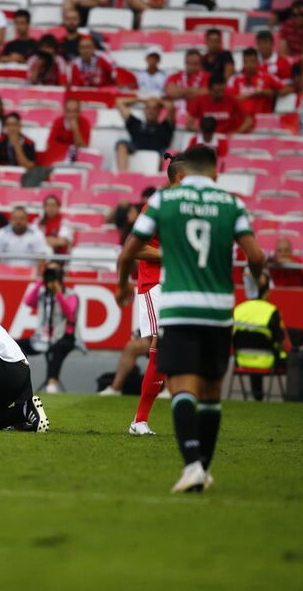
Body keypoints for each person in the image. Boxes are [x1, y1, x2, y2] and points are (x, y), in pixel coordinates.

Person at [116, 145, 265, 493]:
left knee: (179, 378)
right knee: (208, 388)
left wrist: (121, 284)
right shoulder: (231, 204)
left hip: (179, 297)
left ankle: (187, 460)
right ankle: (145, 424)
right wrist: (261, 281)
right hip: (195, 297)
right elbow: (256, 256)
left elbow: (129, 249)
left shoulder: (164, 205)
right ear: (211, 172)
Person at [116, 154, 185, 436]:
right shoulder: (154, 208)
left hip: (179, 285)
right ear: (181, 178)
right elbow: (133, 249)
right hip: (155, 284)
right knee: (163, 348)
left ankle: (143, 420)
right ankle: (140, 420)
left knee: (172, 351)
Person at [17, 262, 82, 393]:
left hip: (65, 336)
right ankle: (19, 379)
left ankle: (52, 382)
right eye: (49, 272)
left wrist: (58, 294)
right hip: (42, 337)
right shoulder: (43, 293)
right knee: (15, 345)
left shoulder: (71, 294)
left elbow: (70, 315)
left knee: (58, 348)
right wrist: (41, 282)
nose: (51, 275)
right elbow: (29, 302)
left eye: (54, 272)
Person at [232, 272, 288, 401]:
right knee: (297, 359)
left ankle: (257, 396)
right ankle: (297, 398)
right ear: (267, 292)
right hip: (268, 361)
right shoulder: (271, 310)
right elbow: (279, 341)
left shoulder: (238, 309)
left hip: (241, 361)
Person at [115, 97, 175, 172]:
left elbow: (170, 106)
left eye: (154, 108)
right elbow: (120, 102)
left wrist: (155, 101)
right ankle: (123, 175)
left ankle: (160, 178)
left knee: (169, 153)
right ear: (144, 110)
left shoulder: (166, 126)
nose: (151, 111)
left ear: (159, 111)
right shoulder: (136, 124)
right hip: (136, 148)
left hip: (160, 152)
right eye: (148, 108)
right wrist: (142, 100)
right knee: (121, 144)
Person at [187, 74, 252, 134]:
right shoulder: (200, 101)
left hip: (226, 139)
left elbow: (249, 120)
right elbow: (189, 125)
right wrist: (204, 132)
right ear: (209, 89)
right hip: (207, 139)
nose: (220, 94)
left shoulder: (232, 100)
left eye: (222, 91)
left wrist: (237, 132)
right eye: (217, 92)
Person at [227, 47, 281, 117]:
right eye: (246, 62)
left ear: (257, 62)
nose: (249, 65)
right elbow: (228, 99)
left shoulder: (268, 77)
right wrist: (252, 94)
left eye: (252, 61)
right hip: (241, 120)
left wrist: (266, 92)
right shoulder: (234, 79)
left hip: (263, 120)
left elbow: (288, 88)